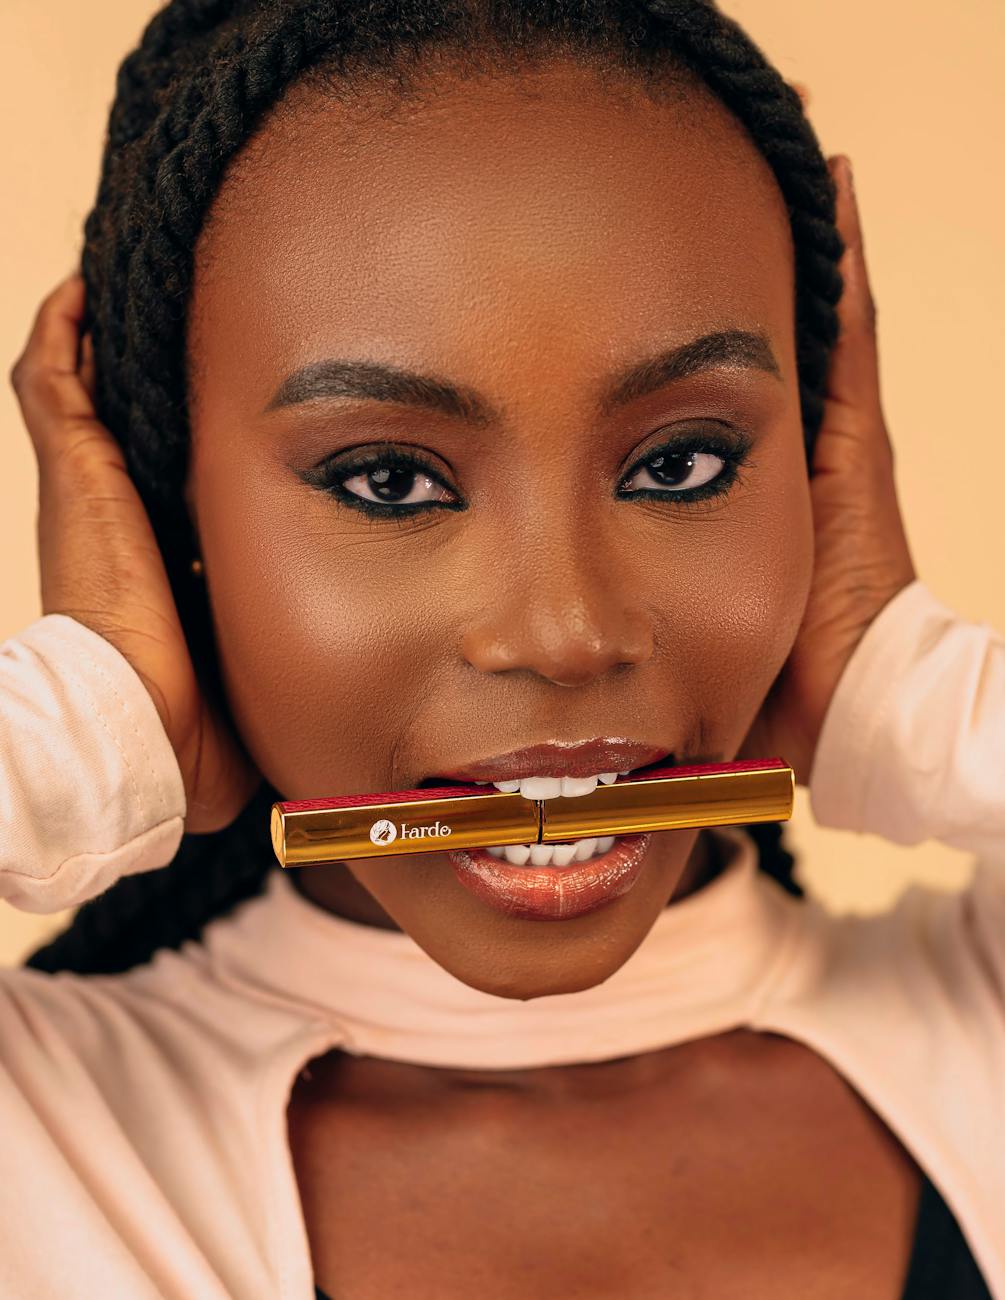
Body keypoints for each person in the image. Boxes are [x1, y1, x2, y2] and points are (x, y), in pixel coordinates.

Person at [2, 1, 1002, 1296]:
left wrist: (900, 681)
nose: (565, 634)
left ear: (818, 469)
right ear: (159, 506)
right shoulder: (47, 1133)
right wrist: (87, 730)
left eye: (681, 463)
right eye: (386, 483)